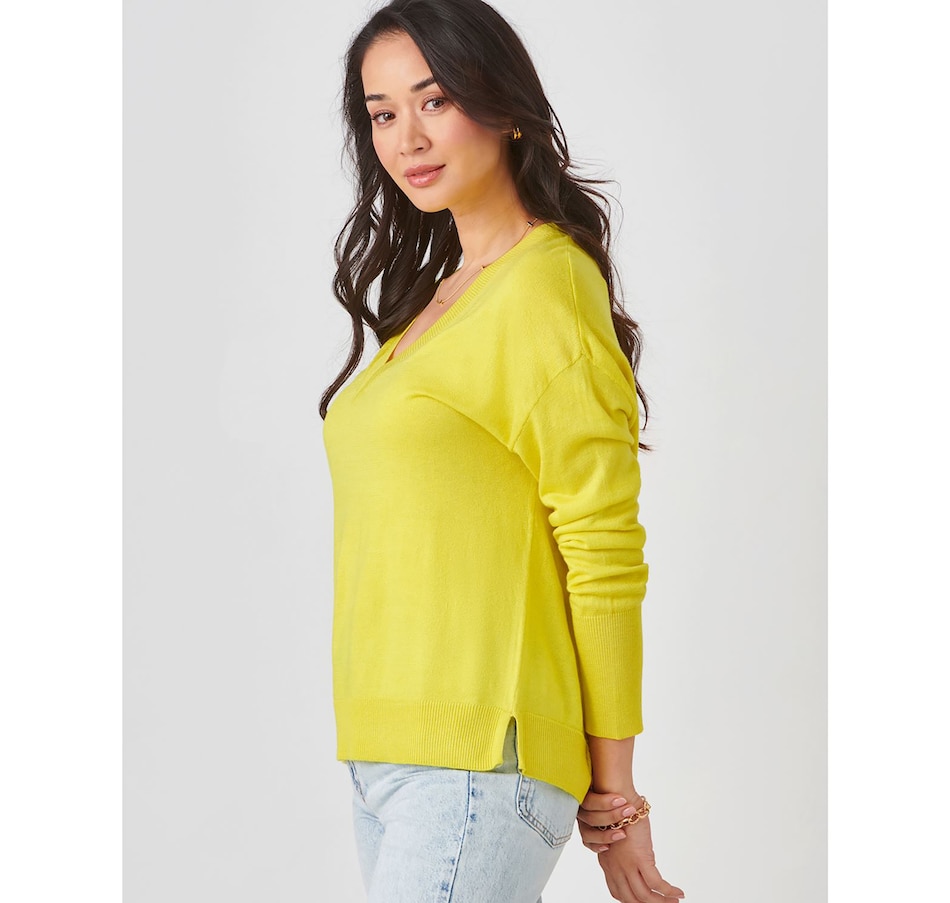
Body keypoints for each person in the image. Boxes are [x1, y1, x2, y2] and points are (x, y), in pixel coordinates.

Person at [320, 1, 684, 900]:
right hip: (387, 758)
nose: (407, 137)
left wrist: (617, 798)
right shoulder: (436, 298)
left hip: (481, 758)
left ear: (503, 105)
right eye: (382, 113)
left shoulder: (545, 286)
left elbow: (601, 548)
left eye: (435, 100)